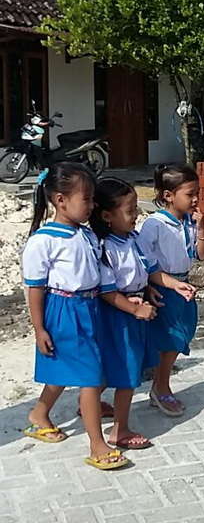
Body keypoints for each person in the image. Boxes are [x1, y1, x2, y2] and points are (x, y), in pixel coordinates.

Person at [21, 163, 129, 470]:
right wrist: (39, 327)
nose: (92, 206)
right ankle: (97, 443)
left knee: (70, 367)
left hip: (91, 307)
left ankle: (39, 414)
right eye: (87, 199)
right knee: (89, 378)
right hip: (63, 311)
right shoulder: (44, 241)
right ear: (60, 200)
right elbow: (35, 289)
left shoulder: (85, 234)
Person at [90, 177, 196, 448]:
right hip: (119, 315)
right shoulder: (105, 248)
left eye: (136, 208)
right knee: (127, 373)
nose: (136, 215)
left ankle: (90, 408)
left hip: (135, 310)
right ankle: (120, 431)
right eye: (130, 210)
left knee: (116, 366)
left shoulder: (134, 240)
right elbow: (107, 291)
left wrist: (175, 284)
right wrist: (134, 309)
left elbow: (152, 272)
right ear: (107, 216)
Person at [138, 165, 204, 416]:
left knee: (183, 335)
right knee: (171, 339)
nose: (195, 199)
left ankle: (159, 385)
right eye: (190, 194)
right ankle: (161, 387)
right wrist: (150, 286)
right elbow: (144, 261)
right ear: (168, 196)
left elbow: (202, 255)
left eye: (196, 193)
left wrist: (201, 229)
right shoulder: (154, 225)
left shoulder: (190, 222)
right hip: (163, 288)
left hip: (184, 285)